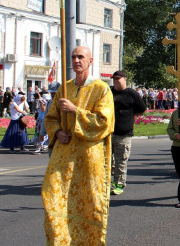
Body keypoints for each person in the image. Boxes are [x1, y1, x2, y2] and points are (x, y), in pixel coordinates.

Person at [42, 46, 115, 245]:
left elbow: (104, 122)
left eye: (81, 57)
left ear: (90, 61)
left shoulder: (101, 89)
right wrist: (57, 132)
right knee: (51, 195)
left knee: (89, 203)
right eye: (74, 57)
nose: (76, 60)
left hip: (89, 158)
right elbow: (50, 118)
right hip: (64, 155)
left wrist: (76, 110)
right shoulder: (65, 88)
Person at [110, 70, 147, 195]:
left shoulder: (131, 94)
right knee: (108, 161)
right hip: (109, 133)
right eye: (114, 79)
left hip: (124, 135)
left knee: (121, 161)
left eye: (118, 79)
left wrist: (129, 116)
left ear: (124, 79)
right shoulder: (109, 92)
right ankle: (111, 182)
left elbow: (141, 109)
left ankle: (119, 184)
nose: (115, 81)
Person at [38, 82, 60, 155]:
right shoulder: (49, 103)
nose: (53, 94)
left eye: (55, 92)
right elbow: (46, 118)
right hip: (52, 134)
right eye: (51, 93)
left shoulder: (63, 103)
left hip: (61, 134)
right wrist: (42, 133)